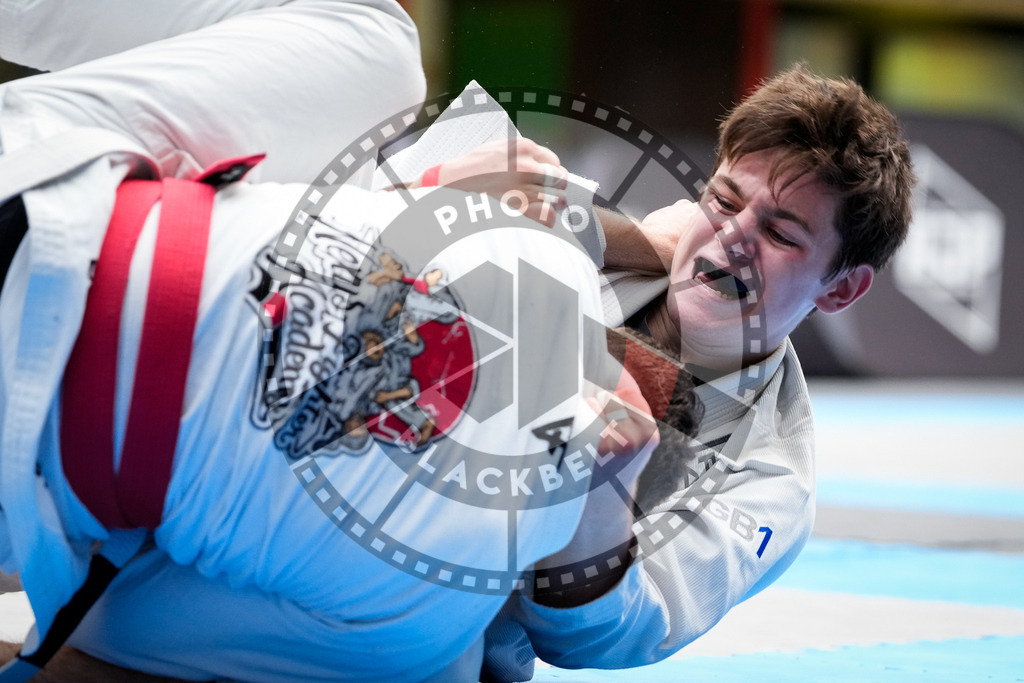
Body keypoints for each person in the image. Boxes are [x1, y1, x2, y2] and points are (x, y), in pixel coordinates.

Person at [0, 2, 668, 681]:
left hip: (48, 212)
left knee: (379, 50)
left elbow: (96, 634)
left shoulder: (533, 257)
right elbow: (97, 630)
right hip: (37, 365)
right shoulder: (417, 626)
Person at [480, 65, 916, 679]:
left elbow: (604, 636)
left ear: (841, 290)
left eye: (780, 234)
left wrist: (600, 497)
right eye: (724, 201)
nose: (733, 239)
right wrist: (596, 232)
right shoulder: (607, 249)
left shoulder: (768, 480)